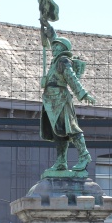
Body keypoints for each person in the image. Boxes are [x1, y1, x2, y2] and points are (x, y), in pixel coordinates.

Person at [39, 34, 96, 172]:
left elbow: (71, 78)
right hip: (50, 101)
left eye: (57, 46)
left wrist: (83, 94)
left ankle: (84, 155)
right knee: (58, 131)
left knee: (71, 128)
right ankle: (61, 161)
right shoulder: (54, 63)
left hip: (61, 99)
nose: (54, 48)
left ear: (64, 48)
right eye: (53, 46)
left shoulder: (63, 61)